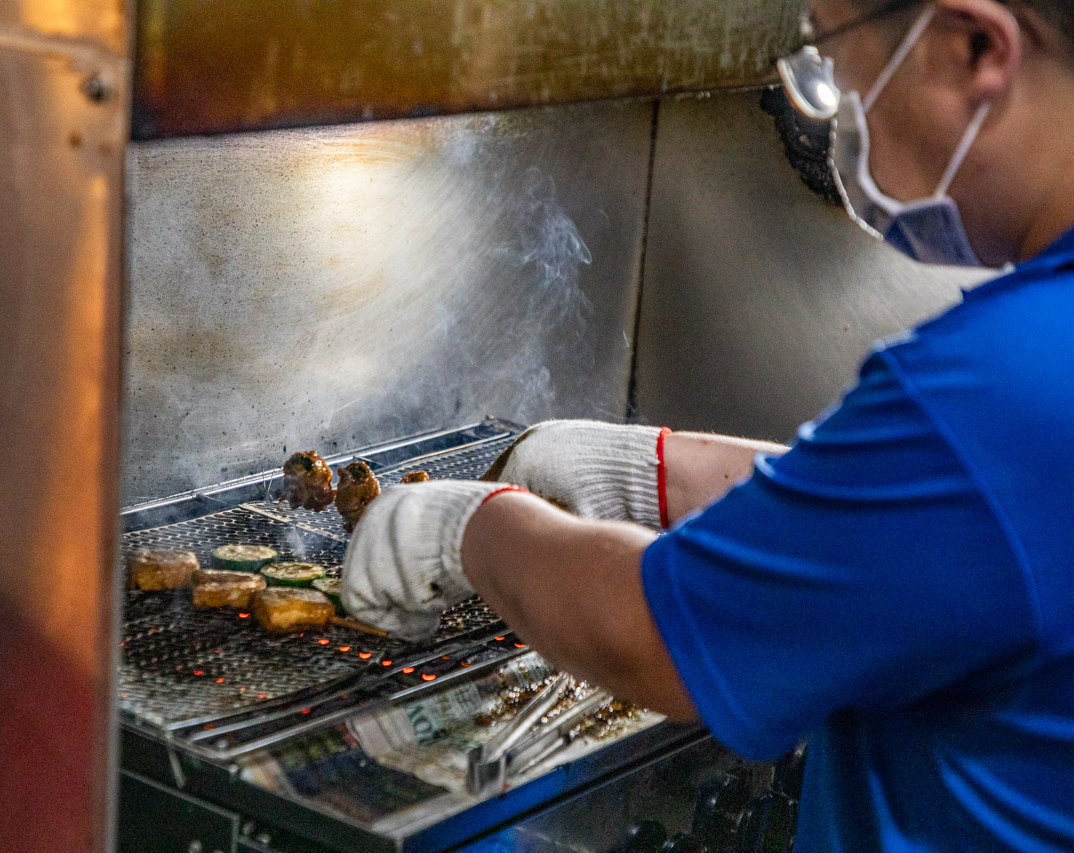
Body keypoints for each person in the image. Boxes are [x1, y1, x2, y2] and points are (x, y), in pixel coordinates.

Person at [341, 0, 1074, 850]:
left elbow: (656, 637)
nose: (841, 103)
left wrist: (467, 530)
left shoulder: (1001, 381)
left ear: (974, 47)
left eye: (838, 63)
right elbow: (971, 530)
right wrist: (654, 471)